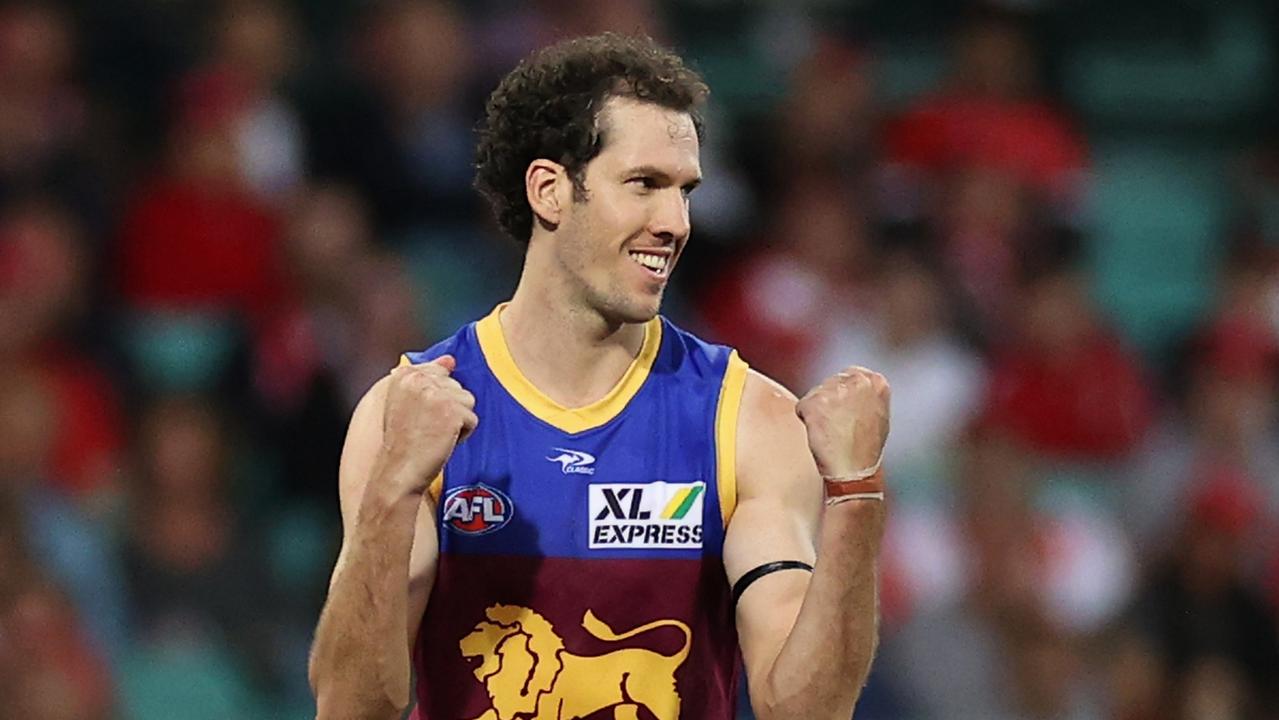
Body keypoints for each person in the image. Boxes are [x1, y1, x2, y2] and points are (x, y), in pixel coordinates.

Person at [308, 33, 890, 720]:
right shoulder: (410, 414)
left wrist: (854, 496)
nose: (674, 223)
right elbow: (351, 708)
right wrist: (390, 495)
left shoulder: (745, 419)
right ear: (550, 190)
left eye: (685, 192)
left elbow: (802, 711)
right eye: (644, 184)